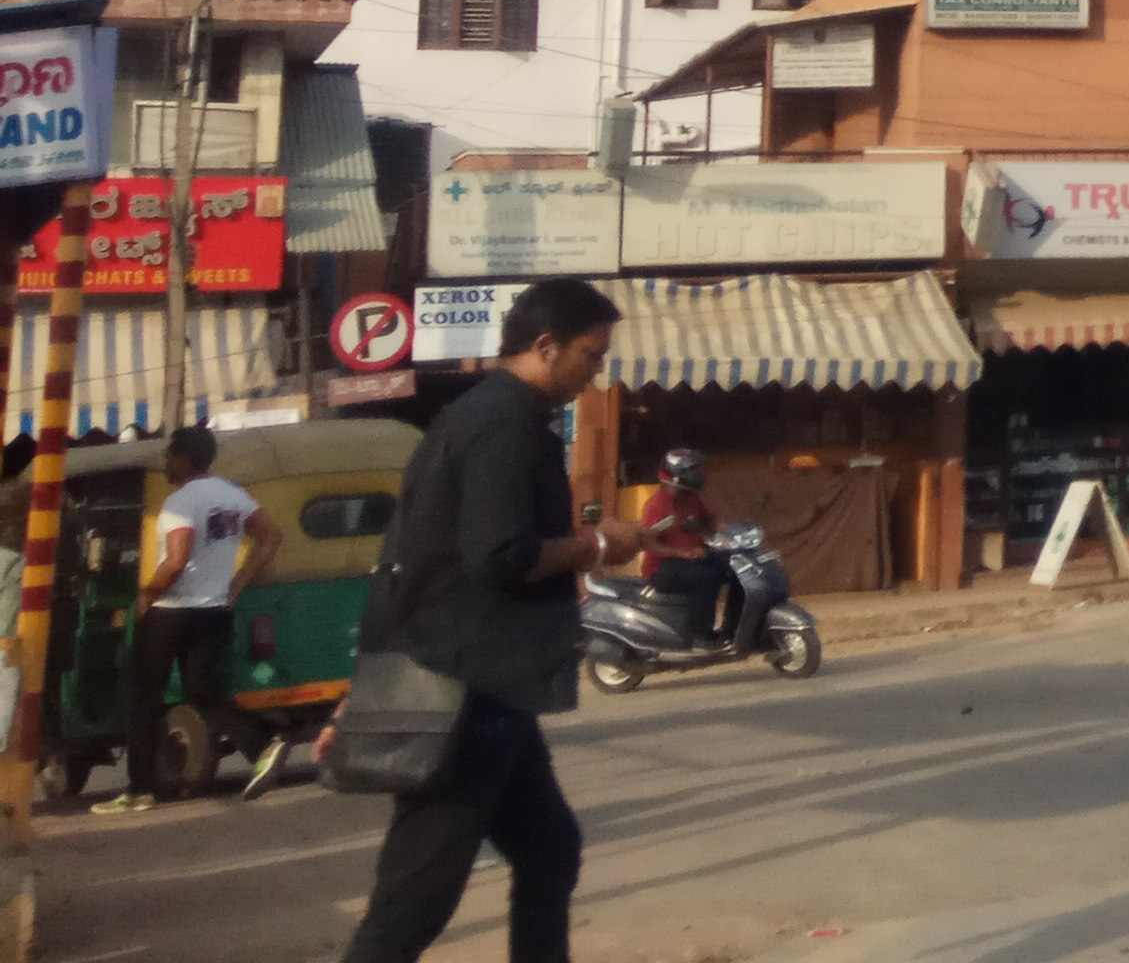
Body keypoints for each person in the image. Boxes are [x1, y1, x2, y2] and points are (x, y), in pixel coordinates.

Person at [329, 278, 647, 963]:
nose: (596, 373)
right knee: (414, 898)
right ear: (545, 346)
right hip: (463, 684)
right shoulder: (502, 425)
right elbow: (499, 555)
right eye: (591, 356)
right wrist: (598, 545)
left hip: (490, 679)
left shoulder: (488, 416)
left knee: (550, 849)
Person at [97, 426, 278, 812]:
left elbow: (176, 560)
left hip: (172, 614)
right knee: (201, 689)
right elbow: (271, 537)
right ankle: (263, 746)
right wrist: (239, 582)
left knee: (143, 696)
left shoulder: (179, 502)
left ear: (183, 458)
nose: (165, 462)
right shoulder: (233, 495)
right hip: (215, 610)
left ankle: (139, 789)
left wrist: (147, 593)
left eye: (169, 455)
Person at [636, 449, 736, 644]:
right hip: (662, 568)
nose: (697, 475)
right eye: (691, 471)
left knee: (736, 569)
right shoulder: (656, 506)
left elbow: (709, 521)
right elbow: (650, 544)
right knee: (708, 577)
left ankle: (732, 628)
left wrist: (730, 530)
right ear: (675, 474)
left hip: (694, 558)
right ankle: (701, 635)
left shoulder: (690, 498)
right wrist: (683, 553)